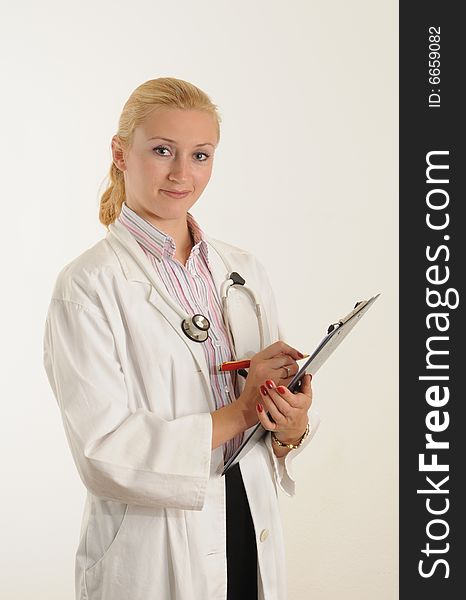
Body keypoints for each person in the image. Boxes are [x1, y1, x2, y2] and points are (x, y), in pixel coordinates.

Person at [43, 76, 320, 600]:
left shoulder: (244, 272)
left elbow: (275, 423)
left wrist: (291, 424)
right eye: (162, 151)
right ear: (120, 153)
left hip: (247, 519)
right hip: (154, 547)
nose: (181, 173)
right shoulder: (86, 287)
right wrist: (240, 411)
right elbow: (104, 451)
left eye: (201, 155)